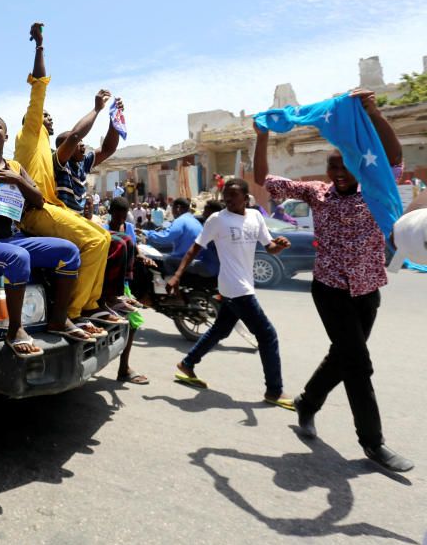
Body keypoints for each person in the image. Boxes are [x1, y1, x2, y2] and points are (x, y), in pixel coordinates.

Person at [255, 90, 413, 472]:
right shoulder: (316, 193)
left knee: (343, 356)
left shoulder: (375, 188)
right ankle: (373, 443)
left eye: (345, 166)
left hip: (368, 288)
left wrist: (373, 112)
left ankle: (307, 402)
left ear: (359, 166)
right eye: (333, 167)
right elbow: (262, 178)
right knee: (358, 363)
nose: (339, 173)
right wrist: (261, 134)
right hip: (329, 289)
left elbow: (394, 156)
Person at [0, 61, 93, 357]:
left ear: (6, 137)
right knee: (18, 258)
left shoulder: (15, 167)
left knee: (68, 251)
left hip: (9, 238)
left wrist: (17, 179)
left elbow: (39, 200)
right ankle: (15, 329)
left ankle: (58, 319)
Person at [11, 23, 118, 327]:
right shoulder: (30, 133)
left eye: (48, 116)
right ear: (31, 121)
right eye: (44, 116)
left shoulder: (46, 147)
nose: (48, 117)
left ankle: (93, 302)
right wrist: (40, 46)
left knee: (104, 236)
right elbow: (39, 87)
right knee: (94, 242)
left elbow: (89, 145)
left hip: (50, 208)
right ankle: (72, 312)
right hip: (35, 211)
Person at [166, 179, 294, 409]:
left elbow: (270, 247)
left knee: (220, 329)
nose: (228, 199)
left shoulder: (255, 217)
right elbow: (195, 248)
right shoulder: (217, 220)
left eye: (233, 195)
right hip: (235, 287)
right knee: (267, 336)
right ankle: (274, 390)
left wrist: (280, 245)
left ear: (246, 198)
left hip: (242, 285)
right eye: (226, 195)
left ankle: (187, 363)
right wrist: (177, 275)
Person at [105, 197, 150, 384]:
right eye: (118, 216)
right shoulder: (104, 229)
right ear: (111, 214)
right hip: (109, 282)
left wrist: (143, 257)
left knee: (132, 322)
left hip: (124, 283)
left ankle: (123, 367)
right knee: (133, 321)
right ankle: (123, 368)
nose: (121, 220)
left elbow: (135, 248)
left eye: (124, 216)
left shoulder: (129, 229)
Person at [145, 198, 207, 275]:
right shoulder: (194, 220)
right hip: (199, 258)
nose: (172, 212)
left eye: (172, 209)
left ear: (178, 208)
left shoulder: (181, 220)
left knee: (166, 260)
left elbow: (165, 237)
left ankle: (171, 283)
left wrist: (146, 233)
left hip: (190, 260)